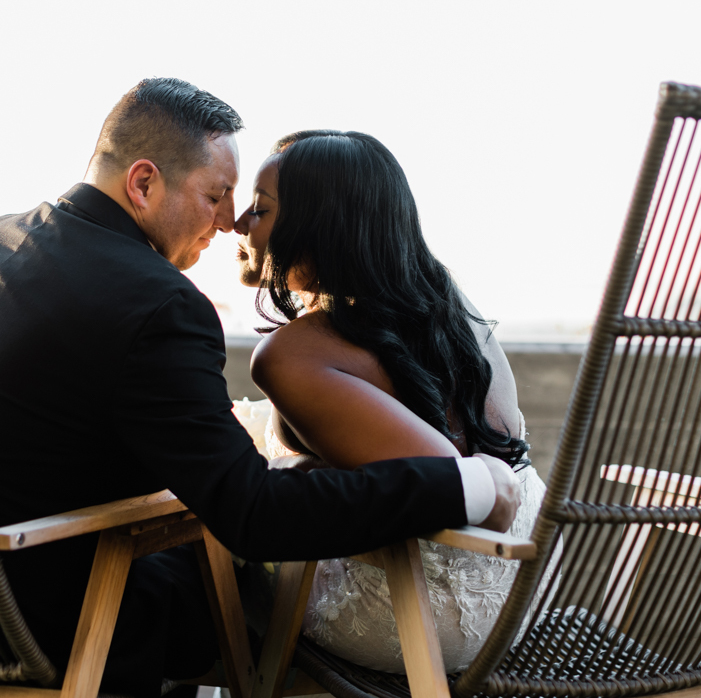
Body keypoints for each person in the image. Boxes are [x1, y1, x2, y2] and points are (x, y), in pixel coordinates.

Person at [0, 78, 522, 697]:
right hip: (11, 629)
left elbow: (51, 430)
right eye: (215, 195)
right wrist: (469, 480)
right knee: (213, 586)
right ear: (143, 183)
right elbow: (255, 516)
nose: (227, 220)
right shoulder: (156, 303)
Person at [232, 130, 560, 673]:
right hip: (531, 586)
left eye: (261, 210)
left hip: (424, 618)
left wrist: (291, 470)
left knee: (225, 559)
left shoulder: (287, 357)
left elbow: (451, 480)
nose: (240, 223)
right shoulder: (441, 296)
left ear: (318, 234)